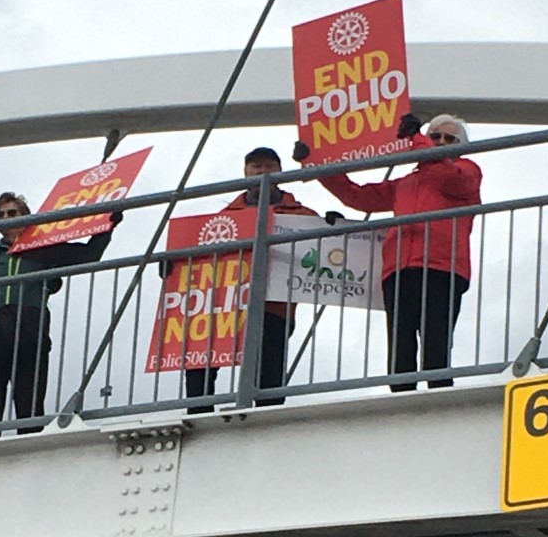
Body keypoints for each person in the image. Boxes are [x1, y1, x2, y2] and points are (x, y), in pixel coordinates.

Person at [294, 113, 482, 391]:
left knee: (436, 343)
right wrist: (316, 163)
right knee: (400, 345)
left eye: (450, 138)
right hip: (400, 268)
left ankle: (439, 401)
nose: (441, 142)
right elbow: (357, 196)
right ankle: (401, 400)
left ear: (461, 146)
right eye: (436, 136)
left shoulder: (467, 171)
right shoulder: (408, 182)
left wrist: (415, 138)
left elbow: (443, 173)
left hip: (442, 267)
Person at [0, 192, 120, 437]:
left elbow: (88, 255)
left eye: (12, 213)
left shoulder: (44, 254)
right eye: (1, 215)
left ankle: (29, 457)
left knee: (29, 409)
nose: (6, 219)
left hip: (31, 337)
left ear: (26, 218)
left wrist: (107, 226)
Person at [185, 146, 318, 411]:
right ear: (246, 171)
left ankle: (267, 415)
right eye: (257, 166)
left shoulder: (301, 215)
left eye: (269, 166)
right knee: (202, 356)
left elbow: (327, 243)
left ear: (280, 171)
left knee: (269, 366)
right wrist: (173, 264)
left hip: (274, 305)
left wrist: (333, 226)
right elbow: (193, 250)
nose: (263, 172)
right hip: (224, 304)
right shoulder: (225, 218)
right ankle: (198, 411)